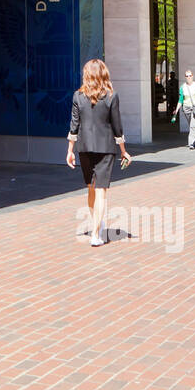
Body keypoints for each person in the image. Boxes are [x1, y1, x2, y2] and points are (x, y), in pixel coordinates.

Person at [67, 59, 131, 248]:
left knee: (90, 188)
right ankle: (96, 233)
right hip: (105, 147)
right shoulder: (112, 96)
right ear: (104, 74)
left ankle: (96, 224)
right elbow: (117, 126)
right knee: (101, 191)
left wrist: (70, 150)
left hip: (84, 147)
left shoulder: (78, 96)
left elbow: (74, 125)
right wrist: (123, 151)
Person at [172, 69, 195, 149]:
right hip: (186, 108)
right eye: (187, 76)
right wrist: (177, 110)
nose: (188, 77)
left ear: (193, 76)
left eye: (190, 75)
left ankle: (191, 143)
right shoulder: (183, 87)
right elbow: (181, 100)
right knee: (192, 126)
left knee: (192, 126)